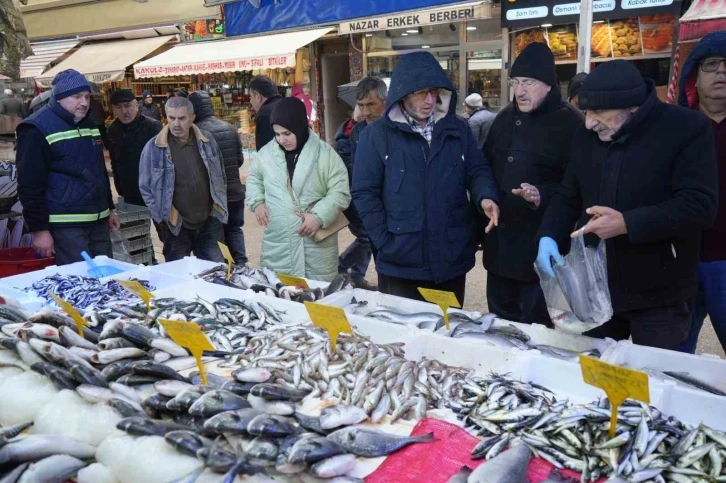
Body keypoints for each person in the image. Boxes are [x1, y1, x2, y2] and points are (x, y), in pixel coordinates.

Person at [536, 60, 718, 350]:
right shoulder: (586, 136)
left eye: (598, 112)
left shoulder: (686, 129)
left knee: (655, 380)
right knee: (597, 376)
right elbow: (568, 193)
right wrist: (548, 236)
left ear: (631, 107)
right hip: (596, 287)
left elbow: (700, 205)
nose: (589, 122)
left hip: (661, 294)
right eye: (585, 112)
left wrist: (627, 223)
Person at [352, 52, 499, 304]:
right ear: (403, 93)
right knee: (402, 337)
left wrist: (485, 196)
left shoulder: (458, 128)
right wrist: (384, 241)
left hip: (450, 258)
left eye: (434, 92)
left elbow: (477, 170)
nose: (430, 100)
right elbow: (364, 193)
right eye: (421, 92)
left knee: (446, 331)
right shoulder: (376, 136)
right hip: (401, 262)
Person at [482, 42, 582, 326]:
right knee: (500, 331)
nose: (520, 90)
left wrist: (541, 195)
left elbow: (577, 187)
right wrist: (485, 197)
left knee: (540, 335)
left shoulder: (571, 123)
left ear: (549, 85)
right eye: (516, 82)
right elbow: (483, 168)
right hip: (499, 253)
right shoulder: (502, 119)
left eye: (529, 82)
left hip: (542, 257)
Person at [16, 69, 120, 265]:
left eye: (87, 97)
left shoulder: (88, 123)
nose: (84, 102)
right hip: (66, 225)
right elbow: (30, 185)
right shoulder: (36, 128)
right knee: (79, 282)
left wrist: (109, 209)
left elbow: (98, 169)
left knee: (106, 279)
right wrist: (40, 230)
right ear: (60, 98)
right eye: (77, 96)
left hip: (98, 221)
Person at [246, 97, 351, 281]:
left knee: (317, 297)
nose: (282, 139)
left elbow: (340, 192)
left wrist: (319, 216)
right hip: (279, 241)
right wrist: (258, 202)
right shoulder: (265, 155)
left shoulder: (325, 154)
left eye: (287, 133)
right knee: (282, 296)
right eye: (277, 134)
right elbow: (254, 178)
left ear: (300, 126)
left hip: (316, 245)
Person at [678, 31, 726, 354]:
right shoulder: (675, 130)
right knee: (673, 361)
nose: (722, 72)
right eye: (712, 64)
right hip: (681, 262)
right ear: (695, 74)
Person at [139, 96, 228, 263]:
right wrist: (161, 219)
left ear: (192, 118)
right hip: (175, 226)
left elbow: (220, 175)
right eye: (171, 118)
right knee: (179, 278)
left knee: (216, 274)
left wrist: (217, 210)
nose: (176, 124)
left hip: (209, 222)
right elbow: (145, 188)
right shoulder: (154, 148)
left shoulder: (207, 141)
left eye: (182, 118)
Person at [339, 77, 388, 290]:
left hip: (395, 204)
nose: (366, 112)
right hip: (368, 203)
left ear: (385, 101)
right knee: (372, 244)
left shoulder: (396, 127)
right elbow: (356, 169)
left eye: (371, 105)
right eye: (361, 105)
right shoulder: (357, 132)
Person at [189, 90, 247, 265]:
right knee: (235, 229)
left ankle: (226, 271)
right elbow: (239, 160)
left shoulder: (197, 133)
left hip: (214, 197)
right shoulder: (229, 128)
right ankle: (242, 264)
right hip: (235, 192)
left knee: (216, 234)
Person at [107, 89, 163, 207]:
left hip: (155, 192)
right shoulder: (113, 130)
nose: (124, 111)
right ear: (113, 109)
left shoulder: (153, 127)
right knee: (137, 224)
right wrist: (120, 188)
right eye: (119, 107)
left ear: (136, 105)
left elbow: (165, 161)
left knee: (163, 225)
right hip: (129, 193)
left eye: (127, 106)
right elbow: (115, 162)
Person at [249, 75, 281, 150]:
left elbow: (264, 150)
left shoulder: (264, 114)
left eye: (250, 97)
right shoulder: (285, 104)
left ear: (258, 97)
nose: (250, 101)